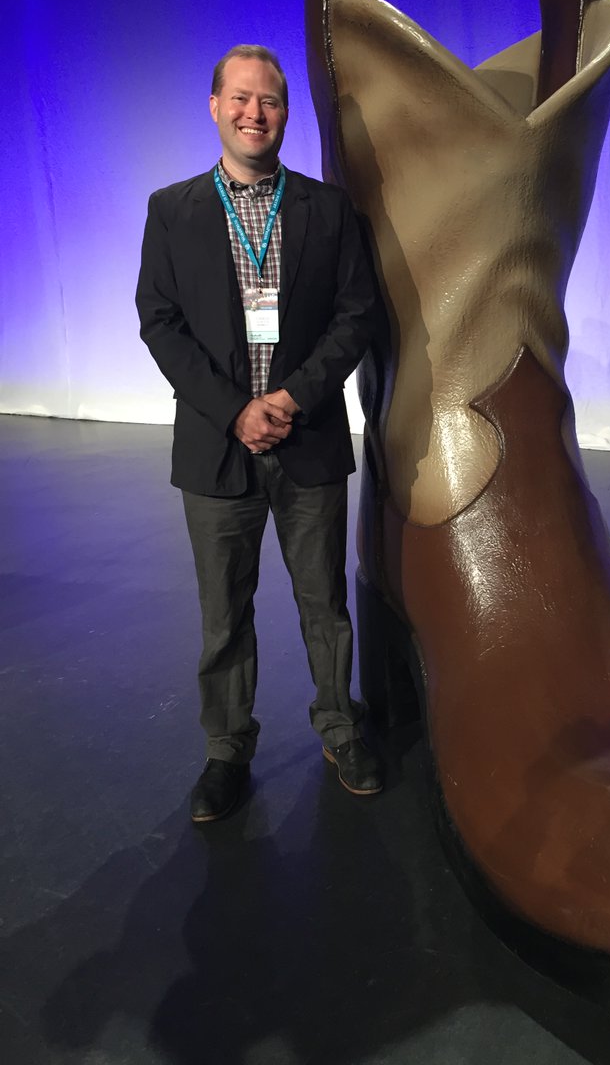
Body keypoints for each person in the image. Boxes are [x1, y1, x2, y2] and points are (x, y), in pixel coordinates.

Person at [136, 44, 383, 822]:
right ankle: (227, 752)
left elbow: (356, 317)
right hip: (217, 448)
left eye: (270, 101)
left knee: (325, 607)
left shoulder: (327, 210)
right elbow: (160, 324)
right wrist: (234, 409)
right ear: (214, 106)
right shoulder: (170, 210)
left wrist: (291, 399)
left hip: (306, 442)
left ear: (285, 114)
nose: (255, 112)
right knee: (224, 619)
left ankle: (339, 727)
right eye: (240, 98)